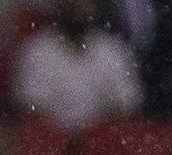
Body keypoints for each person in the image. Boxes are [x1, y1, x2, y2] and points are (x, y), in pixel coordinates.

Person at [15, 0, 142, 136]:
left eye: (86, 3)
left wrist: (93, 134)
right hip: (54, 142)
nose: (79, 8)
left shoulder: (113, 51)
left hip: (101, 143)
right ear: (60, 6)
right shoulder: (37, 50)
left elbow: (127, 105)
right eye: (73, 3)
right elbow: (32, 109)